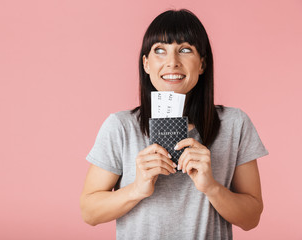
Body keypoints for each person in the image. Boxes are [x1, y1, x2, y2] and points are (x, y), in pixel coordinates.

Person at [80, 9, 268, 240]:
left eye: (185, 50)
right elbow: (89, 212)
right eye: (160, 50)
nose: (172, 62)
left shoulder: (234, 124)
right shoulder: (121, 127)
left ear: (202, 64)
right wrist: (137, 189)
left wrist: (211, 187)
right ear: (146, 64)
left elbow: (251, 219)